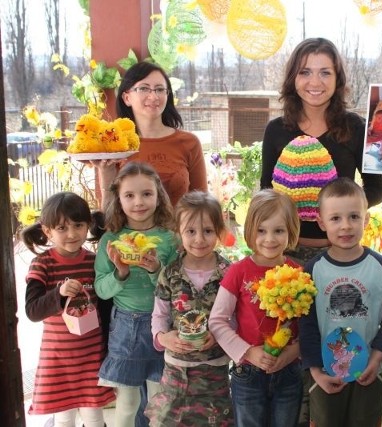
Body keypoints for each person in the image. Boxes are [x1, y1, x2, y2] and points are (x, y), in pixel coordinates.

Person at [260, 37, 382, 266]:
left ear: (338, 79)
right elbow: (266, 192)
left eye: (325, 72)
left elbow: (377, 189)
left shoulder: (356, 128)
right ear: (293, 78)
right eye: (305, 72)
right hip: (284, 255)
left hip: (342, 253)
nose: (315, 82)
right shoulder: (275, 130)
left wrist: (341, 210)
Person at [299, 177, 382, 427]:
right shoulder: (313, 270)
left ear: (366, 219)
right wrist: (315, 372)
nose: (346, 226)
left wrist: (376, 358)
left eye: (354, 217)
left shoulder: (380, 267)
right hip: (325, 373)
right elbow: (307, 324)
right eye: (335, 218)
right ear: (321, 222)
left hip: (368, 371)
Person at [95, 161, 179, 427]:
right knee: (127, 403)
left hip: (162, 324)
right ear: (118, 200)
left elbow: (178, 287)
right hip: (125, 326)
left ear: (158, 196)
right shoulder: (110, 239)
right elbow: (101, 290)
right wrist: (120, 272)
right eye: (129, 195)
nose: (138, 202)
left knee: (158, 402)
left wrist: (156, 270)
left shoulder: (169, 238)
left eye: (146, 194)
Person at [209, 189, 303, 427]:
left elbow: (311, 326)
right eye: (261, 230)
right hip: (248, 374)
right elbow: (217, 321)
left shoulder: (300, 274)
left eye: (278, 230)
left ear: (291, 231)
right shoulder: (238, 272)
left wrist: (292, 353)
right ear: (250, 230)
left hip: (289, 371)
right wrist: (249, 352)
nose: (269, 239)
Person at [22, 192, 115, 427]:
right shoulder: (42, 264)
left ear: (89, 225)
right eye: (62, 228)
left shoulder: (95, 261)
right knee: (64, 418)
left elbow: (105, 308)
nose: (72, 234)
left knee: (94, 418)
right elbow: (32, 311)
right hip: (59, 360)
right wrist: (59, 294)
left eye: (78, 225)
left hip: (91, 356)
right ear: (47, 231)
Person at [144, 191, 234, 426]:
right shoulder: (170, 273)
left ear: (219, 231)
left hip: (215, 371)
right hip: (177, 370)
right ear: (179, 233)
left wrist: (219, 335)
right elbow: (159, 315)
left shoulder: (229, 272)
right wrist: (163, 338)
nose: (199, 239)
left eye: (207, 231)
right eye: (190, 231)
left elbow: (237, 317)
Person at [96, 61, 207, 207]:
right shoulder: (115, 145)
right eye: (144, 88)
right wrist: (106, 173)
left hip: (179, 230)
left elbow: (202, 206)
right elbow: (109, 213)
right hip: (130, 231)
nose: (154, 96)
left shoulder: (189, 143)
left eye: (160, 89)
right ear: (127, 98)